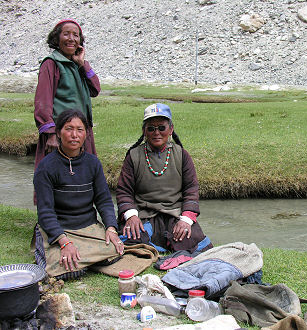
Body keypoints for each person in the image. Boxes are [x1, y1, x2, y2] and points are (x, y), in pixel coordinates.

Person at [33, 110, 123, 280]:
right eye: (69, 129)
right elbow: (45, 212)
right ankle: (50, 252)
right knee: (67, 270)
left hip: (87, 226)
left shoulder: (93, 163)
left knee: (115, 252)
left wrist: (111, 227)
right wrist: (64, 242)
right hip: (60, 229)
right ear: (59, 133)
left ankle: (83, 258)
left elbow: (103, 200)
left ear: (86, 134)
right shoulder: (46, 167)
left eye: (80, 130)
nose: (74, 135)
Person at [116, 103, 213, 254]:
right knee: (133, 237)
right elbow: (124, 192)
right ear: (144, 131)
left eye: (161, 127)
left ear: (171, 129)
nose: (157, 133)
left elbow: (191, 190)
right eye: (151, 128)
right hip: (143, 214)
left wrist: (186, 220)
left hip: (175, 214)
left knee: (190, 240)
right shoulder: (133, 156)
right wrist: (131, 216)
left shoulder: (182, 155)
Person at [34, 19, 100, 171]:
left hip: (81, 133)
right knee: (57, 178)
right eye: (66, 34)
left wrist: (83, 64)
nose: (71, 39)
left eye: (75, 35)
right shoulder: (51, 64)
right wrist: (50, 134)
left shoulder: (78, 65)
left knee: (82, 178)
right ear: (57, 39)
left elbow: (95, 90)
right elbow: (43, 102)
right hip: (60, 135)